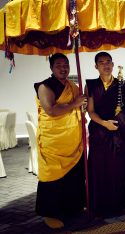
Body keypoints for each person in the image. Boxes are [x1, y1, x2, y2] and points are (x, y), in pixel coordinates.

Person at [34, 53, 87, 229]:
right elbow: (51, 110)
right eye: (58, 65)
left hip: (73, 139)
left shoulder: (72, 86)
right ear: (51, 68)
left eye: (66, 65)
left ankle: (73, 208)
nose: (63, 68)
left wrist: (82, 106)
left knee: (73, 177)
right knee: (53, 177)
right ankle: (50, 213)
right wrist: (75, 103)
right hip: (54, 141)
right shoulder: (44, 87)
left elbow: (79, 107)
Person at [85, 52, 125, 218]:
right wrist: (104, 123)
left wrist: (122, 129)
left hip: (118, 134)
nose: (105, 65)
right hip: (99, 132)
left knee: (117, 169)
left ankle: (118, 205)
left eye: (108, 62)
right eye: (101, 62)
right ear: (96, 66)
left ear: (113, 65)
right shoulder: (90, 85)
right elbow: (90, 111)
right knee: (98, 169)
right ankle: (98, 205)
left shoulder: (123, 85)